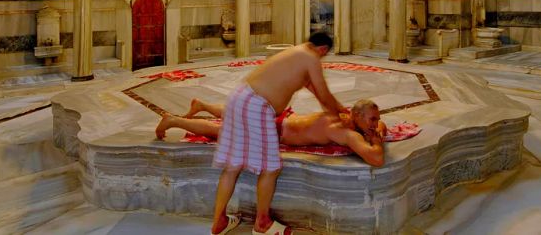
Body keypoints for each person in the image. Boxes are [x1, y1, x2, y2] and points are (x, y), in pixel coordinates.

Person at [207, 32, 346, 235]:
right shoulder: (312, 58)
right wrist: (339, 119)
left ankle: (218, 222)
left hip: (240, 97)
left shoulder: (297, 53)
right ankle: (262, 223)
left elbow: (319, 93)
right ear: (323, 49)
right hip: (257, 105)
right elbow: (324, 93)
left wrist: (340, 110)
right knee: (271, 168)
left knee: (232, 166)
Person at [155, 97, 386, 166]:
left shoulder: (346, 114)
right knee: (222, 132)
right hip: (274, 130)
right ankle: (172, 120)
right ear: (357, 115)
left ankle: (203, 106)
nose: (375, 124)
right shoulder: (348, 133)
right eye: (372, 120)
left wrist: (377, 131)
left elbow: (379, 124)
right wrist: (377, 142)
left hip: (283, 118)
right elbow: (375, 159)